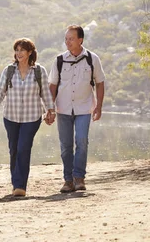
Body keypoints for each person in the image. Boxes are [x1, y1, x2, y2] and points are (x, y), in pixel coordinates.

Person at [0, 38, 55, 197]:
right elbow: (1, 90)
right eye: (17, 50)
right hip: (11, 116)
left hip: (32, 117)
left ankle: (20, 186)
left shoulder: (39, 71)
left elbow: (45, 93)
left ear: (30, 52)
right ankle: (16, 183)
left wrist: (50, 111)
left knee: (23, 148)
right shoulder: (9, 70)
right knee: (13, 149)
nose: (18, 53)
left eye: (22, 50)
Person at [49, 25, 105, 193]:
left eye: (71, 38)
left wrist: (99, 106)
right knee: (66, 145)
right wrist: (50, 109)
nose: (68, 42)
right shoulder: (59, 60)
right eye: (66, 38)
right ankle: (68, 180)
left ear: (80, 40)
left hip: (84, 107)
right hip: (63, 108)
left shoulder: (92, 59)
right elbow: (52, 86)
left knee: (81, 141)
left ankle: (79, 177)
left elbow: (100, 83)